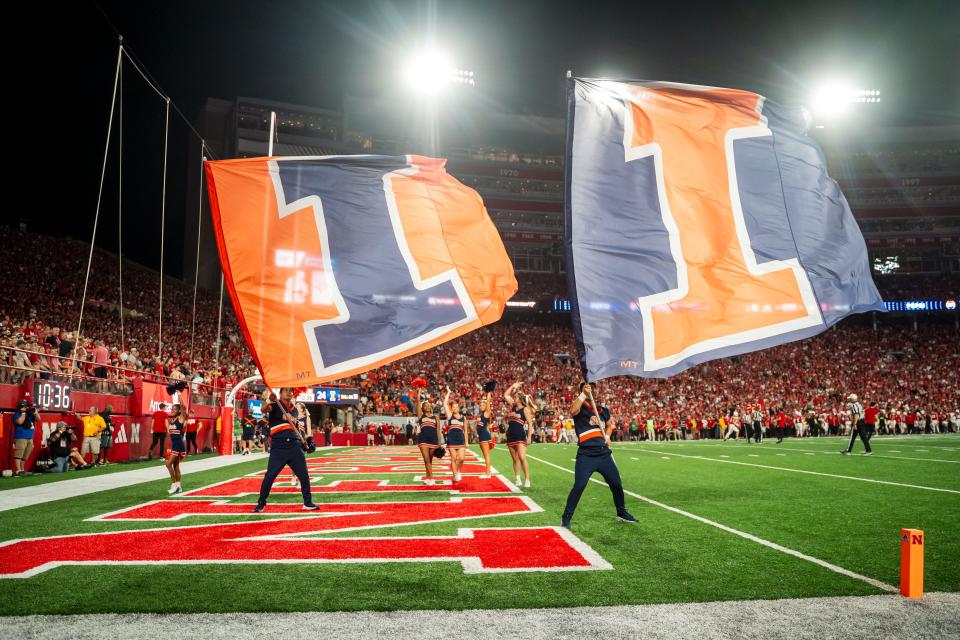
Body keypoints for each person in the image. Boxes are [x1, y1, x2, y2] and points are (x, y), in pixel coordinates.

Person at [561, 382, 637, 529]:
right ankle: (566, 517)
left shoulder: (602, 410)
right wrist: (583, 394)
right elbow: (572, 411)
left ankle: (621, 513)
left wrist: (608, 436)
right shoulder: (580, 406)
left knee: (616, 484)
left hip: (603, 453)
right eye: (588, 388)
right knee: (579, 485)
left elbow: (609, 425)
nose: (591, 390)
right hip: (586, 454)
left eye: (592, 388)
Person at [253, 388, 317, 513]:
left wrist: (305, 442)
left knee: (304, 475)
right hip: (279, 446)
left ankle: (308, 502)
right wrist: (268, 399)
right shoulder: (275, 405)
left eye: (291, 391)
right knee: (270, 476)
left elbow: (296, 428)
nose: (289, 392)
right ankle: (261, 503)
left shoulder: (294, 410)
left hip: (294, 445)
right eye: (286, 391)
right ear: (280, 393)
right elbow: (264, 409)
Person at [503, 381, 534, 488]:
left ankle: (527, 479)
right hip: (510, 435)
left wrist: (529, 437)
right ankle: (517, 478)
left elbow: (530, 423)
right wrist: (513, 386)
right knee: (515, 459)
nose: (514, 398)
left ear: (520, 399)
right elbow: (506, 395)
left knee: (522, 457)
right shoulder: (512, 406)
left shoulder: (525, 409)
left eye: (515, 397)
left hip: (520, 436)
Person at [414, 387, 441, 485]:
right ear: (423, 408)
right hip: (423, 440)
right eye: (425, 405)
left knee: (430, 460)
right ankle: (432, 478)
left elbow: (438, 430)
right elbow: (418, 402)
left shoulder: (436, 417)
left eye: (429, 405)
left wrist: (439, 442)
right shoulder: (421, 416)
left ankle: (428, 477)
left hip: (433, 440)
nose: (428, 407)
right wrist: (419, 392)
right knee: (426, 459)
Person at [442, 386, 467, 483]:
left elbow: (465, 431)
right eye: (454, 407)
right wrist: (448, 392)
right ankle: (455, 474)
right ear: (451, 409)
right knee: (454, 458)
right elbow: (445, 403)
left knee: (461, 458)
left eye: (457, 407)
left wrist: (467, 442)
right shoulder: (450, 415)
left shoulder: (463, 418)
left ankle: (457, 471)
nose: (456, 408)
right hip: (451, 440)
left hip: (461, 440)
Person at [165, 404, 189, 494]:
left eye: (175, 409)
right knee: (176, 466)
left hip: (179, 445)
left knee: (168, 464)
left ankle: (174, 485)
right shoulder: (172, 420)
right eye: (172, 409)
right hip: (175, 445)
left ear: (179, 411)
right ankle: (179, 486)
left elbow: (183, 407)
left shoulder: (180, 418)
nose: (173, 410)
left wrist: (179, 395)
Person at [12, 399, 38, 476]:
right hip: (21, 437)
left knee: (25, 454)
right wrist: (23, 413)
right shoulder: (17, 414)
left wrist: (36, 412)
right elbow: (20, 422)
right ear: (21, 407)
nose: (27, 408)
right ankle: (18, 470)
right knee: (19, 453)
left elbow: (38, 419)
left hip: (30, 437)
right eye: (25, 406)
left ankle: (22, 469)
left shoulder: (30, 414)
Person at [474, 388, 495, 477]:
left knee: (486, 455)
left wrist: (488, 393)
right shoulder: (481, 414)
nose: (481, 406)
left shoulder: (487, 412)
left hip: (484, 437)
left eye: (483, 404)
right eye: (480, 404)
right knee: (485, 455)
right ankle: (488, 471)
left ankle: (488, 473)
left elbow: (488, 401)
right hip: (482, 436)